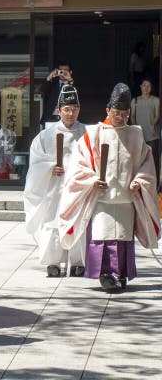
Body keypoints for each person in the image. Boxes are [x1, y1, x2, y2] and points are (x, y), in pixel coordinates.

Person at [58, 83, 160, 292]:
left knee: (122, 237)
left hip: (125, 197)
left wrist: (139, 181)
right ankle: (105, 274)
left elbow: (146, 164)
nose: (120, 118)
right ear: (108, 110)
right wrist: (92, 179)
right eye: (116, 113)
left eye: (124, 114)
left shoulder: (135, 134)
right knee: (102, 236)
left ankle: (121, 273)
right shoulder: (94, 133)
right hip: (101, 198)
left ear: (129, 113)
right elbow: (79, 164)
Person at [24, 85, 87, 277]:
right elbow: (35, 164)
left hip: (78, 187)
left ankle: (78, 261)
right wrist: (50, 167)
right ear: (58, 110)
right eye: (66, 109)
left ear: (79, 110)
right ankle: (52, 261)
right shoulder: (45, 136)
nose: (70, 113)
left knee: (78, 221)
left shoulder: (87, 133)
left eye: (74, 109)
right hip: (54, 187)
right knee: (52, 221)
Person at [130, 78, 160, 175]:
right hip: (140, 136)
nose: (146, 88)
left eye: (148, 86)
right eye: (144, 85)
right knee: (139, 160)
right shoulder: (135, 101)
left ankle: (155, 183)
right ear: (140, 87)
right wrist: (136, 130)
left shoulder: (156, 100)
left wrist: (153, 125)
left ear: (151, 88)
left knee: (153, 160)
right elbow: (132, 117)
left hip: (152, 135)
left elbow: (157, 115)